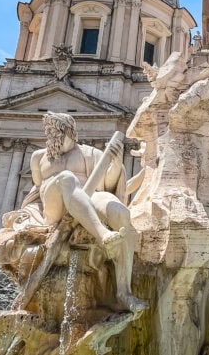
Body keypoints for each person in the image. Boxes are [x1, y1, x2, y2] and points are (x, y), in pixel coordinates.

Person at [26, 112, 145, 313]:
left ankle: (124, 292)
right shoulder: (38, 157)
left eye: (56, 133)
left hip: (88, 195)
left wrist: (116, 163)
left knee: (120, 213)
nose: (51, 137)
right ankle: (103, 234)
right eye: (49, 133)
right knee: (66, 178)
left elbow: (108, 184)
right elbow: (38, 189)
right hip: (55, 203)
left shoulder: (90, 153)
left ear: (70, 132)